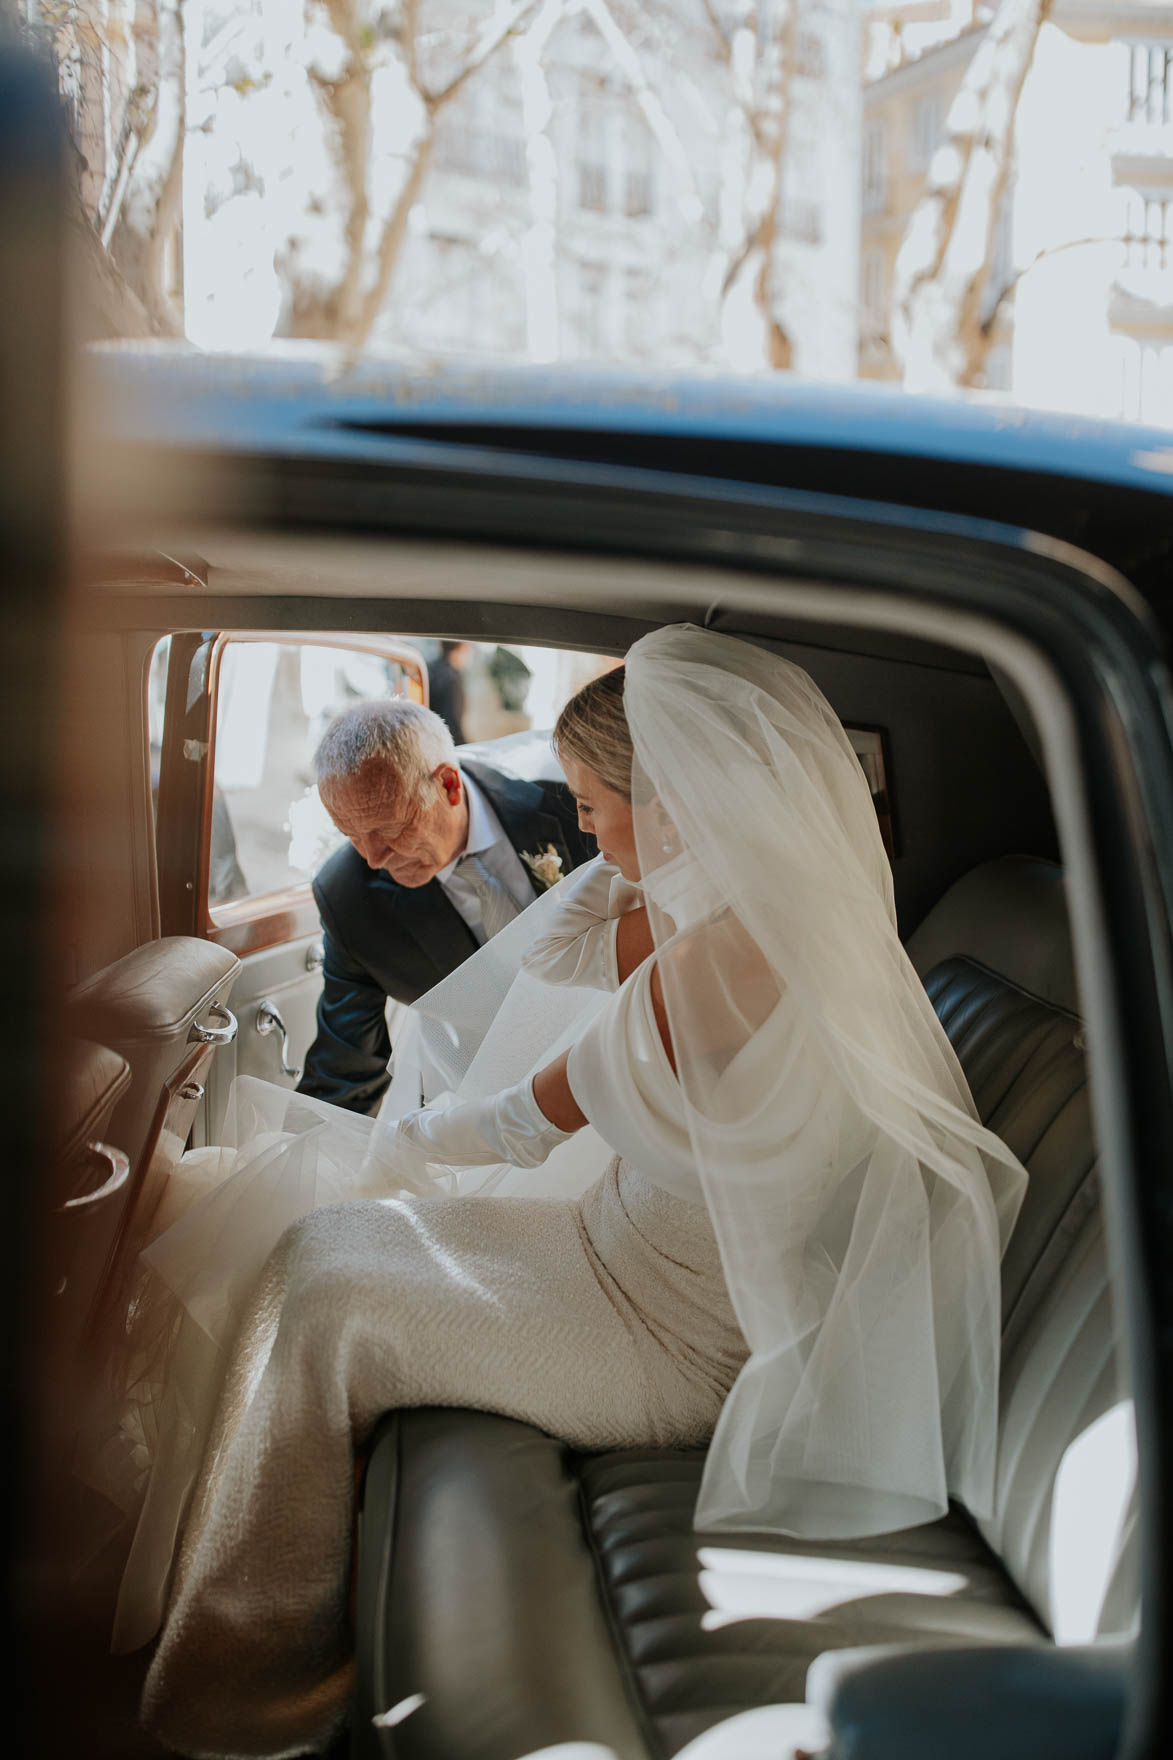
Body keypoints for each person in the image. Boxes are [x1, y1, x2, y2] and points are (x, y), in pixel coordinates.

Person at [108, 625, 1027, 1759]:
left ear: (675, 800)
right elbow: (558, 997)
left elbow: (520, 1119)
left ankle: (255, 1689)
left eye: (597, 806)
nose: (582, 827)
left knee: (329, 1290)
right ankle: (279, 1633)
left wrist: (378, 1156)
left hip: (673, 1329)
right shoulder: (776, 918)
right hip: (613, 1245)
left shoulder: (706, 962)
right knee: (333, 1250)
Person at [296, 695, 596, 1113]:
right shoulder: (350, 898)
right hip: (498, 1102)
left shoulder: (568, 800)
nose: (373, 858)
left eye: (390, 829)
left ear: (449, 785)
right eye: (352, 835)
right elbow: (342, 1068)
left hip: (613, 1052)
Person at [425, 638, 471, 743]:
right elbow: (453, 725)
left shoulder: (429, 668)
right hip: (443, 746)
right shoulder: (451, 679)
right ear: (462, 645)